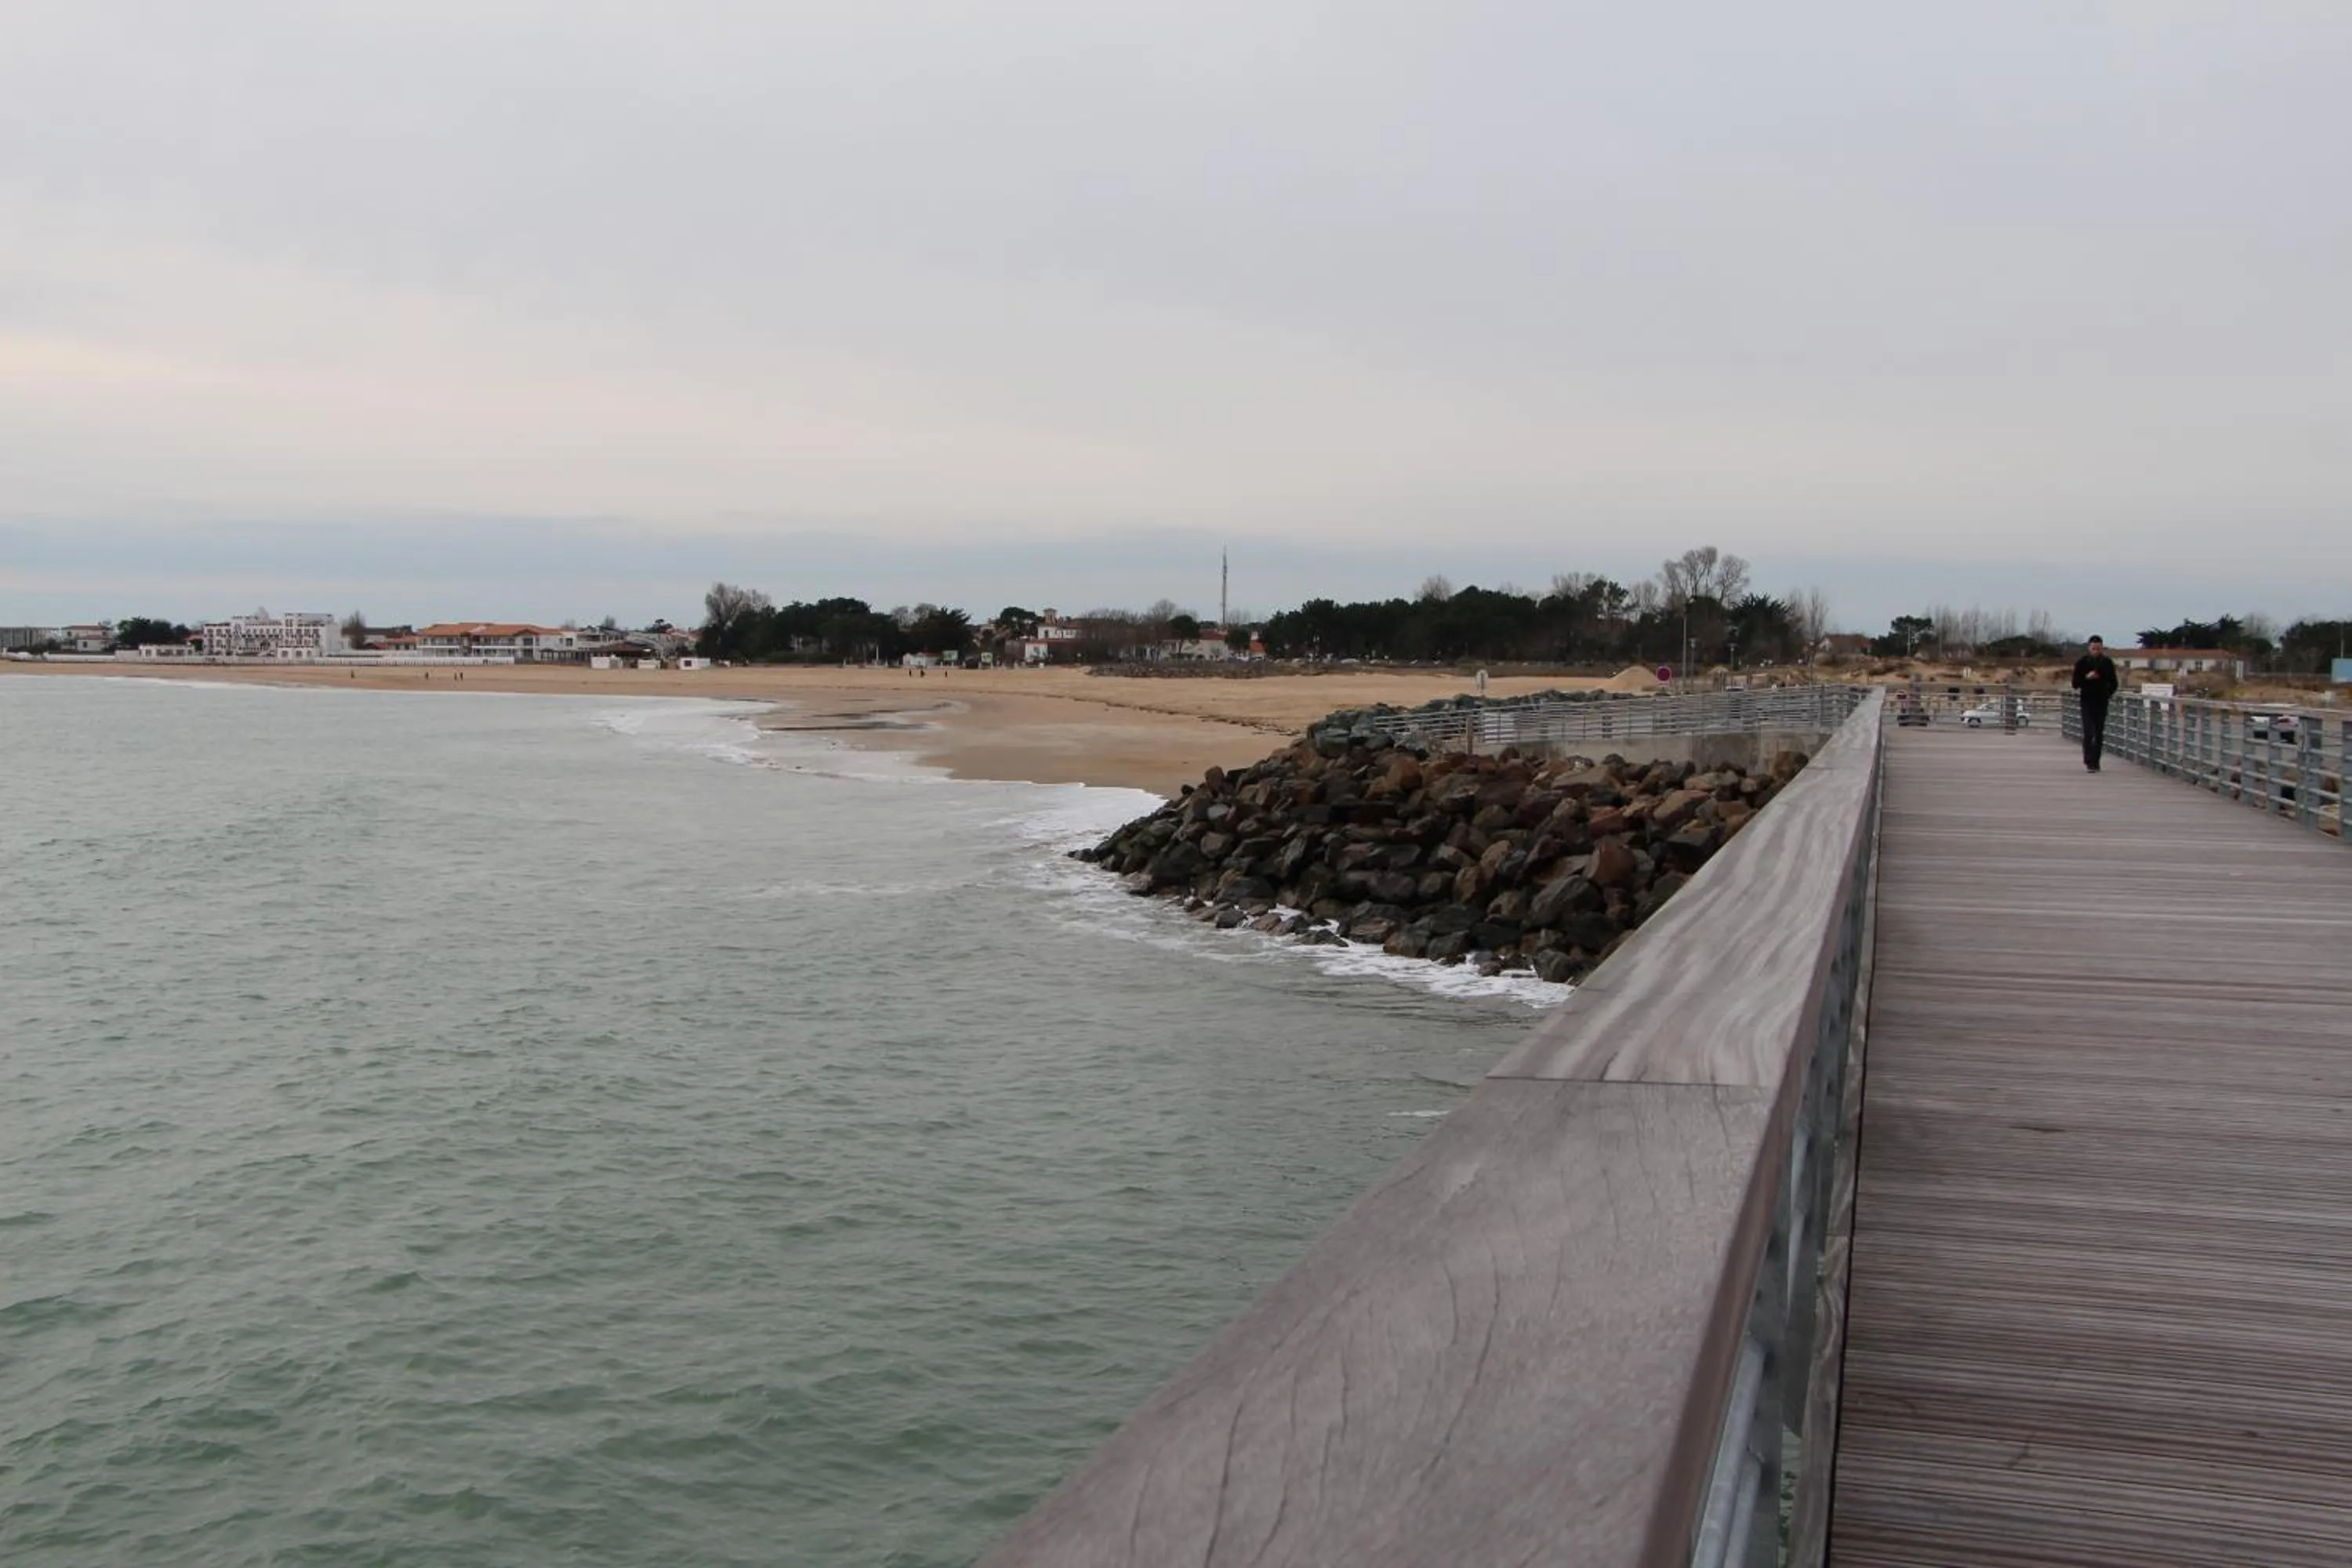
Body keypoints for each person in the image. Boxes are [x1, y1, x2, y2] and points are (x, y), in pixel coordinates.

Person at [2071, 635, 2120, 772]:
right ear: (2089, 648)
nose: (2096, 651)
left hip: (2101, 701)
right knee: (2089, 731)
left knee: (2099, 733)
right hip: (2087, 700)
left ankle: (2095, 761)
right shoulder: (2082, 662)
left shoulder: (2107, 662)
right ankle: (2088, 759)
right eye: (2093, 648)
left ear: (2102, 648)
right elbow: (2075, 684)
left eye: (2098, 648)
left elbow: (2115, 683)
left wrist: (2107, 693)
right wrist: (2086, 678)